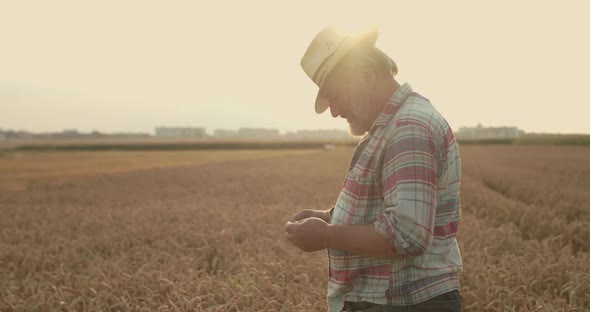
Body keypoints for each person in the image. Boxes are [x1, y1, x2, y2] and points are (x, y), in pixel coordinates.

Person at [285, 26, 463, 312]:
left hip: (405, 302)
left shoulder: (409, 128)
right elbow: (387, 209)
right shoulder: (392, 126)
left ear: (365, 75)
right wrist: (328, 217)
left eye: (335, 94)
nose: (333, 110)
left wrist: (326, 235)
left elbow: (406, 234)